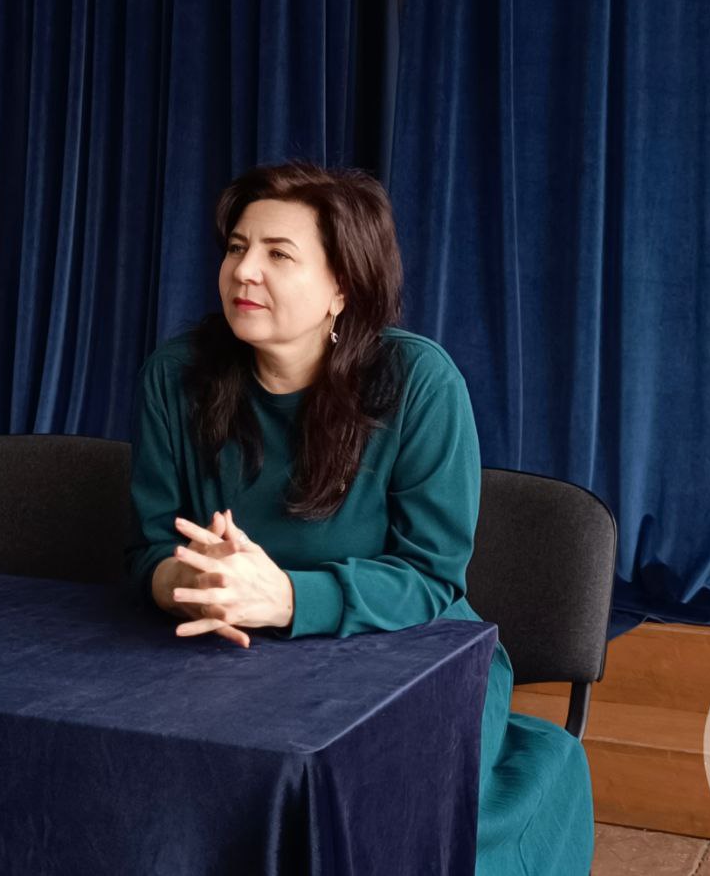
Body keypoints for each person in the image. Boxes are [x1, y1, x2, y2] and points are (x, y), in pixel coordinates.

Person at [126, 161, 594, 875]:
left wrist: (287, 597)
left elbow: (432, 575)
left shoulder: (419, 382)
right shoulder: (175, 374)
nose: (244, 270)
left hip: (408, 651)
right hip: (229, 653)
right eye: (237, 247)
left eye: (279, 254)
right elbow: (148, 549)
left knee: (378, 815)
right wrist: (187, 581)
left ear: (342, 287)